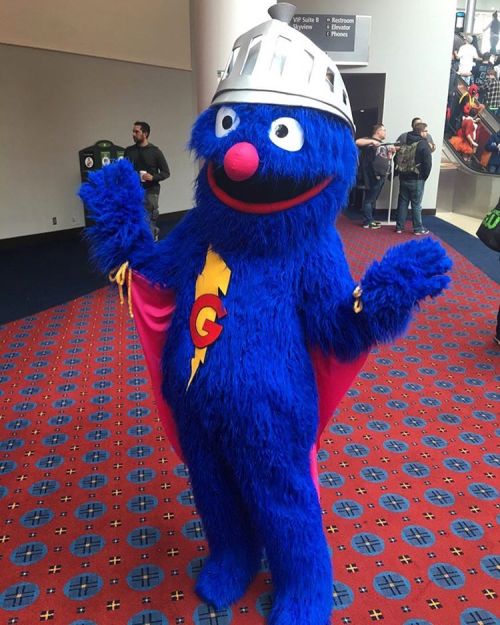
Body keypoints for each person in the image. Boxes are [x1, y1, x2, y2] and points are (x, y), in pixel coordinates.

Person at [124, 121, 170, 241]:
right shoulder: (128, 151)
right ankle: (148, 237)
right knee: (136, 218)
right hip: (134, 190)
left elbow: (166, 172)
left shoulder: (155, 152)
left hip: (151, 190)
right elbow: (124, 170)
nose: (133, 134)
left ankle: (151, 242)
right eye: (133, 131)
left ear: (145, 133)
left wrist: (152, 177)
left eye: (136, 131)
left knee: (148, 218)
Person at [395, 122, 432, 235]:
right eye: (426, 131)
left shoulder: (405, 141)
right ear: (421, 132)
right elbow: (427, 163)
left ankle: (399, 227)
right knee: (416, 204)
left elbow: (397, 157)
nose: (427, 133)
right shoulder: (423, 144)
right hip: (417, 178)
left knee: (402, 203)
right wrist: (424, 177)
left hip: (404, 176)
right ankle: (418, 228)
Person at [356, 124, 394, 229]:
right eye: (384, 130)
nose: (385, 132)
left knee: (373, 199)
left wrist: (390, 154)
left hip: (382, 175)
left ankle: (370, 219)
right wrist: (372, 142)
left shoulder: (383, 144)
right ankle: (367, 221)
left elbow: (385, 158)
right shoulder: (369, 141)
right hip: (372, 175)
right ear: (378, 131)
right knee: (369, 199)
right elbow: (357, 142)